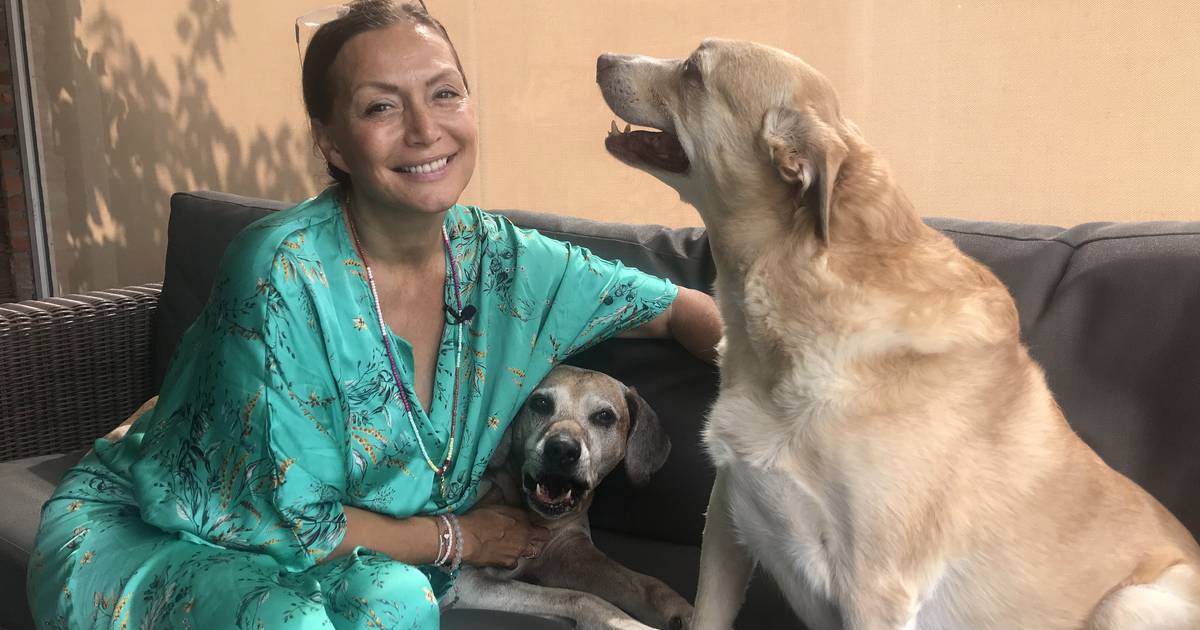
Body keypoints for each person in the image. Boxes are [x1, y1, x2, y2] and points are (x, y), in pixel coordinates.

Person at [27, 1, 722, 628]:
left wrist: (785, 395)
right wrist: (464, 537)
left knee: (403, 603)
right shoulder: (280, 272)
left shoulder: (507, 261)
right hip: (171, 528)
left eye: (444, 93)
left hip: (357, 554)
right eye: (381, 107)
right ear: (331, 141)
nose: (425, 129)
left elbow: (681, 310)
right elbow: (290, 520)